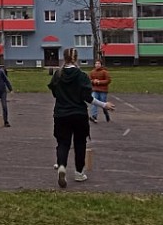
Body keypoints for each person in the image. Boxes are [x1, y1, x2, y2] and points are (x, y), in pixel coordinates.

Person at [47, 48, 115, 188]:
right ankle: (79, 173)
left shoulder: (58, 75)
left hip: (61, 114)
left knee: (63, 143)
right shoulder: (82, 75)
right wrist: (104, 105)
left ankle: (61, 166)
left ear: (64, 58)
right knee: (80, 143)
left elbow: (54, 93)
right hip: (79, 114)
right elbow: (88, 98)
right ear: (76, 58)